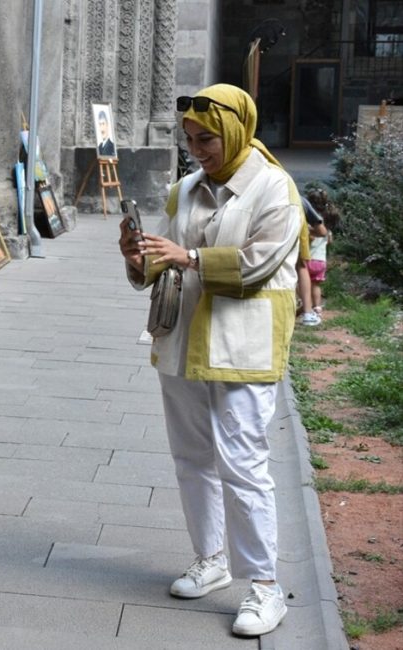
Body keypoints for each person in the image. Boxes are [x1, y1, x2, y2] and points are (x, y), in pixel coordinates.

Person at [118, 84, 302, 638]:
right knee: (192, 459)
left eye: (207, 139)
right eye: (190, 140)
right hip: (182, 340)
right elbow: (164, 264)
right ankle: (212, 559)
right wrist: (138, 257)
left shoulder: (275, 189)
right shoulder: (185, 191)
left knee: (243, 464)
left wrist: (190, 255)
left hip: (242, 346)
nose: (197, 149)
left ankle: (266, 589)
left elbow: (258, 266)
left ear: (238, 131)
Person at [296, 194, 330, 326]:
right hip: (321, 262)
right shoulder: (327, 230)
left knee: (300, 282)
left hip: (309, 260)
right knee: (315, 286)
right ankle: (316, 309)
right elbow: (326, 237)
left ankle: (304, 305)